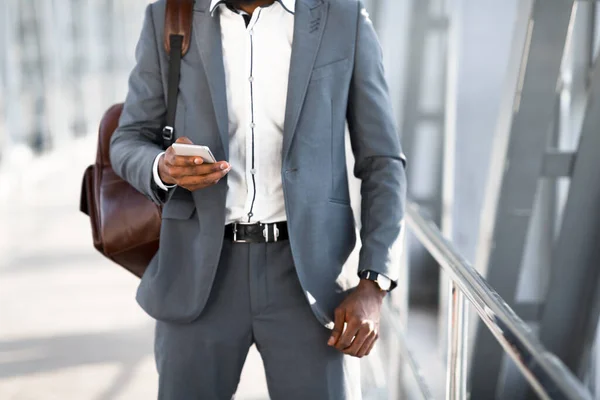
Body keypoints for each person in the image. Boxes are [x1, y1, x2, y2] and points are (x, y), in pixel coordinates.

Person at [110, 0, 407, 398]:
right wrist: (161, 167)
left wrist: (374, 283)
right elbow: (129, 139)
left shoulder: (343, 17)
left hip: (311, 284)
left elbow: (382, 161)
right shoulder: (169, 16)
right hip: (198, 273)